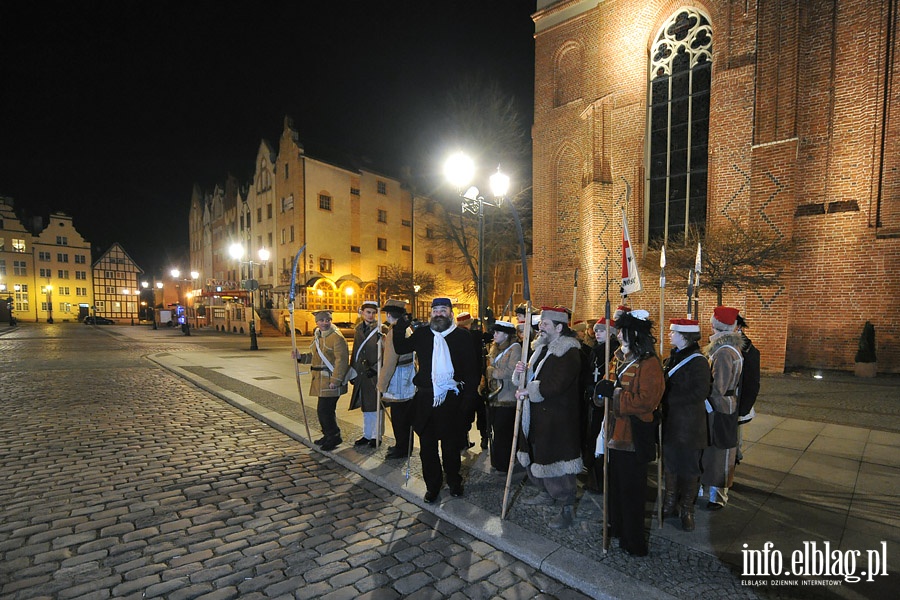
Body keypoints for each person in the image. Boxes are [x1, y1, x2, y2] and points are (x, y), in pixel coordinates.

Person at [392, 298, 480, 503]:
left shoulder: (462, 336)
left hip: (451, 399)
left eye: (443, 310)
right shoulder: (422, 334)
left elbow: (471, 370)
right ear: (431, 314)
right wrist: (399, 328)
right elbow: (401, 348)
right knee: (427, 448)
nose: (439, 314)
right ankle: (432, 486)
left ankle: (454, 481)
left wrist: (469, 399)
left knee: (450, 447)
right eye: (436, 310)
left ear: (450, 313)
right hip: (425, 399)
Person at [595, 309, 664, 556]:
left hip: (633, 436)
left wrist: (614, 395)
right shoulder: (617, 358)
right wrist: (601, 392)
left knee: (632, 492)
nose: (619, 335)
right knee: (614, 487)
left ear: (635, 334)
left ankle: (633, 541)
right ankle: (616, 527)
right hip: (613, 433)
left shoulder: (650, 363)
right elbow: (607, 385)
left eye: (623, 332)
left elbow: (647, 401)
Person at [513, 307, 584, 530]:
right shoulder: (541, 349)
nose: (539, 327)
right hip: (537, 415)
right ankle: (545, 492)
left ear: (559, 327)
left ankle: (566, 507)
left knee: (558, 461)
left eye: (545, 324)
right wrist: (522, 372)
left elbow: (556, 385)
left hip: (557, 418)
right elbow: (533, 376)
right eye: (540, 323)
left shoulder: (569, 352)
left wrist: (528, 390)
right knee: (537, 455)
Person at [660, 318, 710, 531]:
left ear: (684, 336)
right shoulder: (673, 358)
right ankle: (670, 502)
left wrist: (668, 398)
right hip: (672, 422)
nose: (670, 336)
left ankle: (686, 509)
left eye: (673, 333)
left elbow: (700, 392)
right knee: (670, 464)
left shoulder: (698, 361)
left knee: (689, 467)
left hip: (690, 425)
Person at [701, 306, 744, 510]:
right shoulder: (728, 349)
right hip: (724, 405)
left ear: (715, 325)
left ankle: (717, 495)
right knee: (717, 450)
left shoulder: (724, 352)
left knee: (719, 451)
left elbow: (719, 386)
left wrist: (706, 400)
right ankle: (712, 492)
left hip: (719, 407)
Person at [293, 309, 350, 451]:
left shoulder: (336, 337)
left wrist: (336, 380)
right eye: (322, 320)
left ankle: (334, 436)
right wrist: (300, 358)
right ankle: (328, 435)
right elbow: (316, 357)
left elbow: (341, 360)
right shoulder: (318, 336)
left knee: (325, 410)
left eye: (327, 320)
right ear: (316, 322)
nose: (325, 323)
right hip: (320, 380)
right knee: (323, 411)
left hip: (330, 380)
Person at [580, 316, 619, 493]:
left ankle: (603, 479)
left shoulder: (615, 352)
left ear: (610, 333)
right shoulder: (596, 351)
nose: (596, 333)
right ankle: (593, 477)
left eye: (601, 330)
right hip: (593, 400)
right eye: (596, 330)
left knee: (601, 437)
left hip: (606, 402)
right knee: (592, 435)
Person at [377, 299, 416, 460]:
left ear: (388, 315)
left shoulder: (395, 331)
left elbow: (390, 361)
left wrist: (382, 384)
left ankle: (402, 447)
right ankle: (404, 445)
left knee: (400, 417)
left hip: (398, 377)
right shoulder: (405, 329)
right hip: (407, 375)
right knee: (405, 415)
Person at [483, 320, 521, 473]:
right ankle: (497, 461)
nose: (494, 335)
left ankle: (505, 463)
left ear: (506, 334)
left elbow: (512, 371)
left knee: (503, 432)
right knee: (495, 430)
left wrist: (492, 372)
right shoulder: (494, 348)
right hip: (494, 396)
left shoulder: (515, 348)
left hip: (507, 396)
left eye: (498, 332)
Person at [350, 300, 382, 447]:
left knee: (376, 406)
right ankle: (367, 434)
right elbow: (356, 351)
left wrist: (375, 368)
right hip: (362, 373)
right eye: (368, 312)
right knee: (365, 405)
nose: (371, 315)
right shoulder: (358, 329)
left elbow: (385, 353)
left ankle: (377, 436)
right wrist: (353, 371)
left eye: (373, 313)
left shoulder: (381, 329)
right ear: (362, 313)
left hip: (375, 373)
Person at [456, 311, 488, 450]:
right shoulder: (475, 336)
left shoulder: (453, 336)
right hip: (476, 378)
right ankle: (484, 437)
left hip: (461, 381)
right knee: (481, 410)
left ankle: (463, 439)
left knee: (464, 412)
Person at [735, 314, 760, 463]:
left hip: (736, 401)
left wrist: (743, 407)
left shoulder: (747, 349)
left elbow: (752, 381)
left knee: (734, 437)